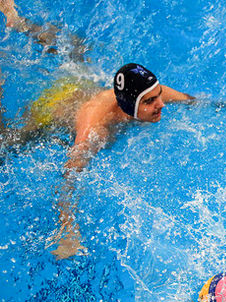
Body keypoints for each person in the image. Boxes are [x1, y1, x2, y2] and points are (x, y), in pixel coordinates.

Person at [50, 63, 195, 259]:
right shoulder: (96, 128)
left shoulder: (150, 93)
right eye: (150, 101)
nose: (161, 104)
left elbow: (194, 101)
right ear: (128, 106)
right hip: (53, 113)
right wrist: (68, 232)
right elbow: (68, 180)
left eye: (159, 94)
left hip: (84, 90)